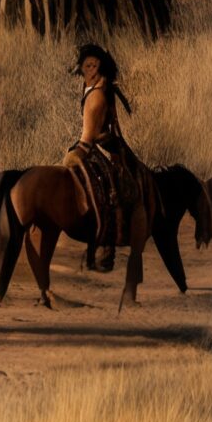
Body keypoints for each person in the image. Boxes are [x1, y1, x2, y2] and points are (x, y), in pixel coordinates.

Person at [67, 43, 143, 273]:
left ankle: (106, 246)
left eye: (94, 65)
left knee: (111, 193)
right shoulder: (94, 90)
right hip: (95, 146)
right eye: (87, 65)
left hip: (99, 147)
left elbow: (90, 136)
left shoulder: (97, 95)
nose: (90, 70)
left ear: (101, 68)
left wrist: (76, 153)